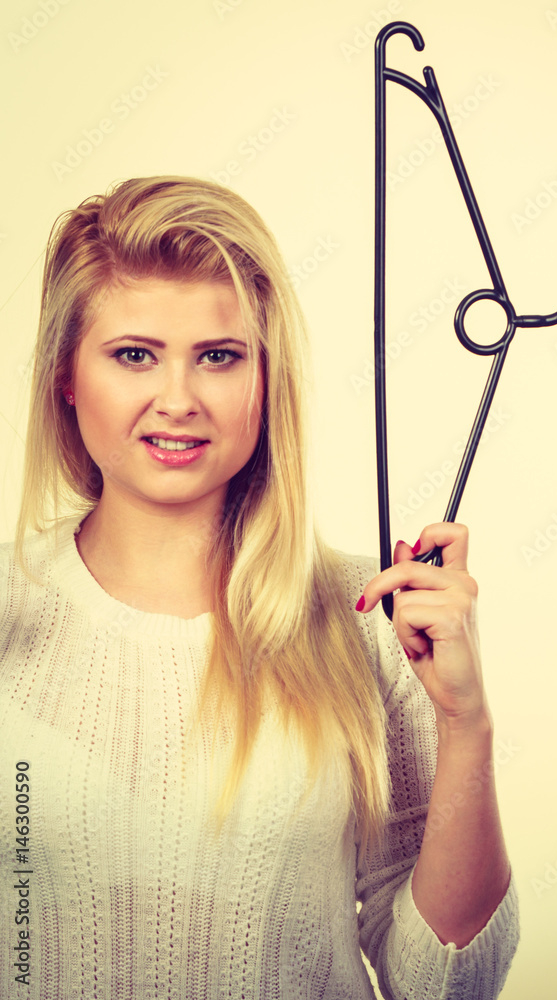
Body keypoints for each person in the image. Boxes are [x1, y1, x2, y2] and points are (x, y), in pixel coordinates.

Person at [0, 176, 519, 999]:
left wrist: (467, 722)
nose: (178, 401)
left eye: (219, 356)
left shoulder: (371, 616)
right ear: (66, 374)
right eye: (134, 355)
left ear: (267, 378)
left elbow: (444, 988)